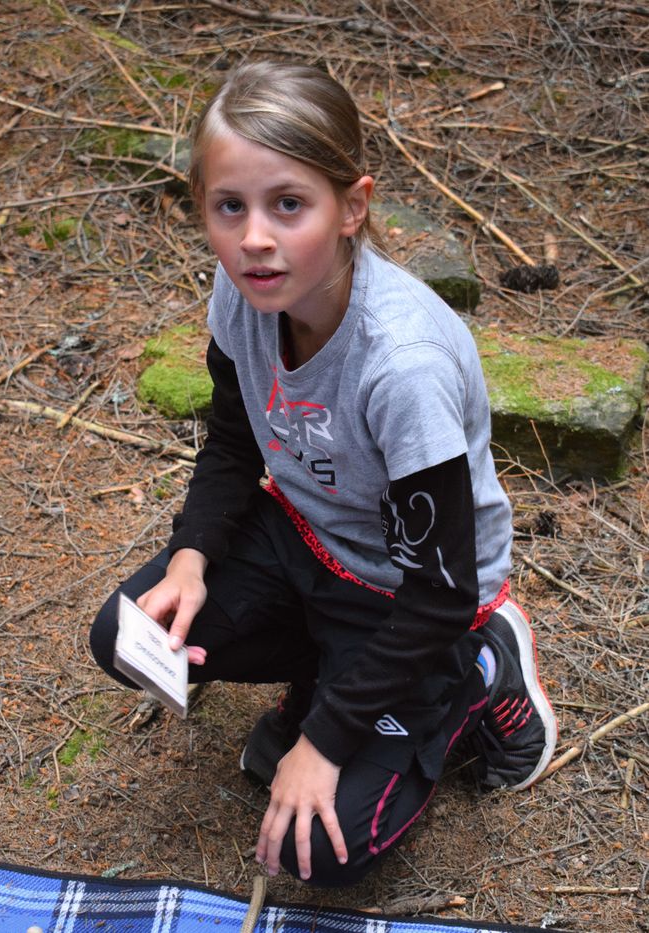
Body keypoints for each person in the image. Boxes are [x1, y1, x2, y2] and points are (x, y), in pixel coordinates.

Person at [90, 61, 557, 888]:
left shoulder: (401, 365)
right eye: (229, 207)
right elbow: (234, 442)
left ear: (353, 207)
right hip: (307, 538)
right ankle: (325, 671)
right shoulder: (245, 292)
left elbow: (441, 590)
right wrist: (192, 560)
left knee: (316, 849)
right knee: (126, 636)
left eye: (288, 204)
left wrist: (324, 739)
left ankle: (477, 675)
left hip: (412, 598)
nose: (254, 238)